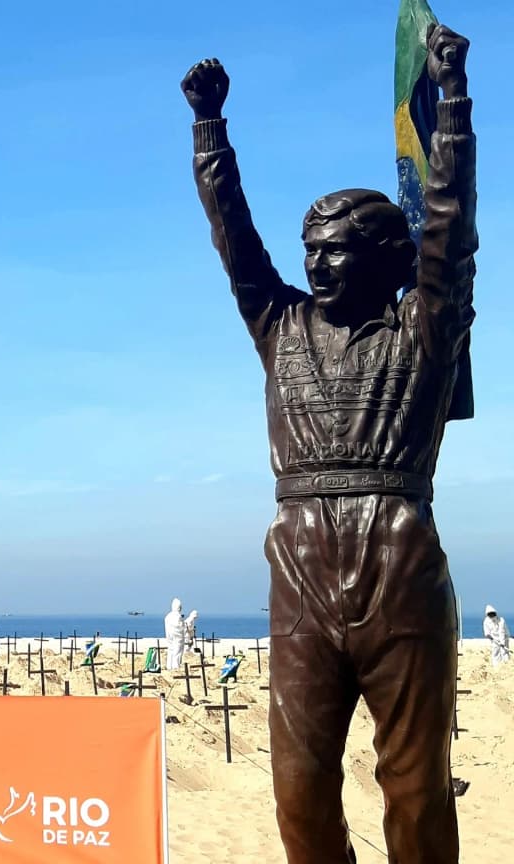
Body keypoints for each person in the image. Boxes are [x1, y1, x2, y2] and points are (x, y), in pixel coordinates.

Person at [182, 22, 475, 864]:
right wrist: (210, 128)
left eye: (336, 252)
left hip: (398, 556)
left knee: (416, 787)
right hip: (302, 562)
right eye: (311, 251)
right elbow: (232, 235)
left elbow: (451, 227)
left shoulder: (424, 328)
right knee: (298, 790)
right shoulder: (280, 325)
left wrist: (452, 100)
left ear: (385, 258)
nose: (317, 266)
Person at [164, 598, 185, 671]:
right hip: (177, 637)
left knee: (171, 650)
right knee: (177, 651)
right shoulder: (178, 616)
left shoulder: (168, 616)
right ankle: (175, 666)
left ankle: (169, 665)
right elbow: (179, 626)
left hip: (169, 635)